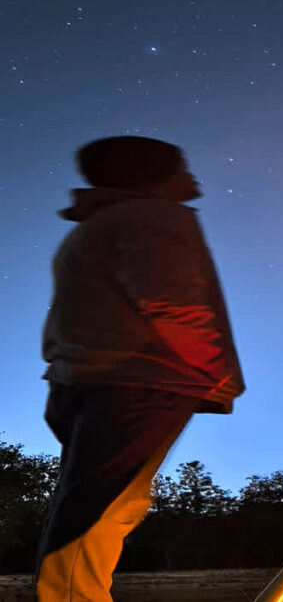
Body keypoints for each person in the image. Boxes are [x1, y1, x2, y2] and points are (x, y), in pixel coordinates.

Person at [35, 136, 245, 602]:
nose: (193, 176)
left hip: (91, 378)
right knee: (101, 509)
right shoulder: (154, 216)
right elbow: (172, 300)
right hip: (139, 378)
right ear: (154, 176)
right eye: (183, 165)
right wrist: (209, 375)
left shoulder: (96, 226)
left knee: (104, 502)